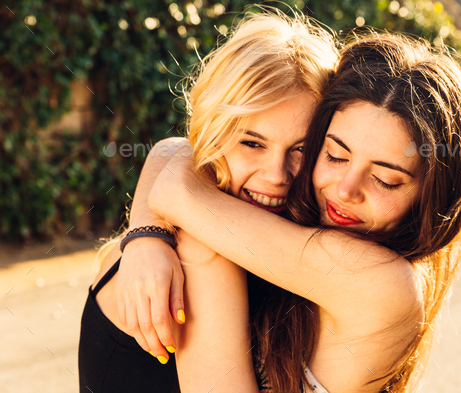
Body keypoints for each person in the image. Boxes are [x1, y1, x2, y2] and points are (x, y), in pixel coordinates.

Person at [134, 33, 461, 392]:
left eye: (385, 180)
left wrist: (147, 234)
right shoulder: (273, 238)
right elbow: (179, 154)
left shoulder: (385, 284)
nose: (344, 191)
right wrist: (148, 235)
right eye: (334, 155)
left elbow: (176, 183)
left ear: (432, 196)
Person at [78, 9, 339, 393]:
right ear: (214, 133)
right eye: (252, 143)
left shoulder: (265, 241)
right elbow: (179, 148)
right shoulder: (201, 249)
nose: (277, 174)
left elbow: (175, 149)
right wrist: (147, 231)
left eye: (301, 149)